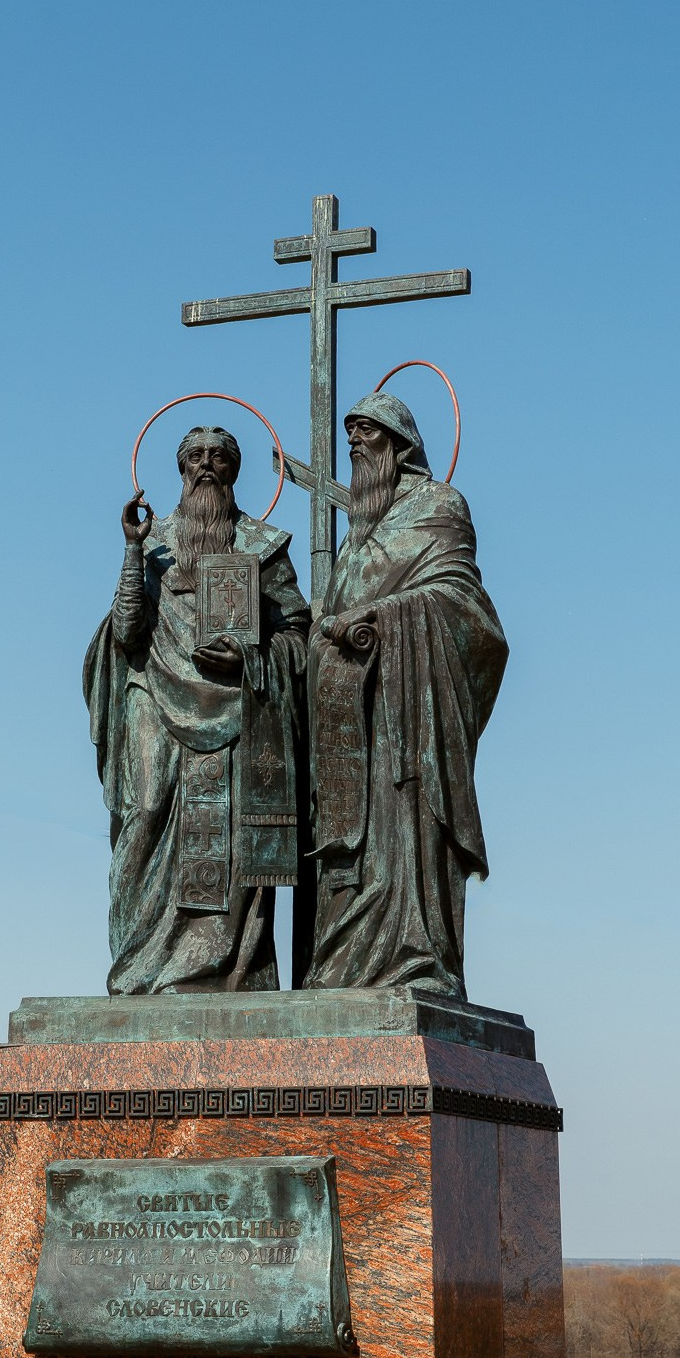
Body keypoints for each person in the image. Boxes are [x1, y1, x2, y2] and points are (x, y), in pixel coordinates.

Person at [84, 426, 310, 993]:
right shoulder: (152, 541)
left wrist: (253, 655)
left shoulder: (263, 546)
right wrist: (133, 550)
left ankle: (215, 973)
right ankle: (137, 970)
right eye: (195, 458)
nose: (206, 467)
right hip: (153, 698)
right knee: (145, 815)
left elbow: (299, 635)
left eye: (219, 458)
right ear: (181, 470)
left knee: (228, 835)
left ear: (234, 471)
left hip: (235, 707)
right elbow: (128, 631)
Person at [305, 393, 507, 999]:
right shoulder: (356, 535)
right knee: (353, 851)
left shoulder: (441, 507)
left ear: (399, 444)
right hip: (351, 720)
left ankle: (417, 958)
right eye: (352, 439)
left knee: (408, 838)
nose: (356, 447)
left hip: (412, 709)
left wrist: (384, 618)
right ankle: (342, 966)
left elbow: (462, 604)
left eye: (367, 436)